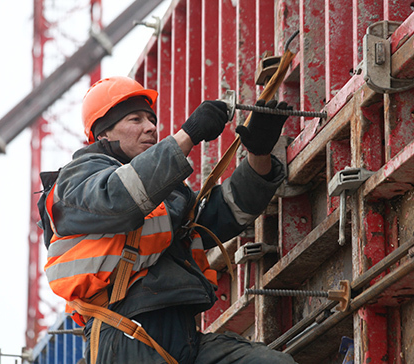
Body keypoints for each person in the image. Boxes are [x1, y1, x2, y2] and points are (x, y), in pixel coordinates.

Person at [39, 76, 297, 364]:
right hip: (124, 336)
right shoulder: (76, 182)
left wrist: (258, 157)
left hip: (184, 336)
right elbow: (119, 198)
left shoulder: (167, 195)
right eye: (135, 119)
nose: (151, 127)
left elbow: (226, 214)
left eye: (151, 119)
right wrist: (188, 135)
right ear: (103, 135)